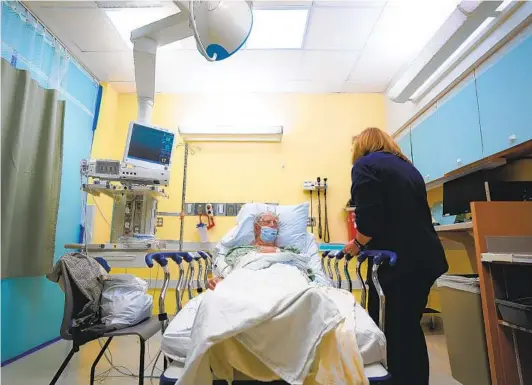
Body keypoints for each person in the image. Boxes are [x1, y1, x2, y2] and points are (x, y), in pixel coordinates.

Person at [344, 127, 448, 385]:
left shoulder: (365, 166)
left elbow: (369, 220)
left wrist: (356, 244)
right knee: (409, 328)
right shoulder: (406, 167)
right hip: (424, 259)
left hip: (401, 263)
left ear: (361, 147)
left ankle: (398, 380)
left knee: (394, 330)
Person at [208, 212, 315, 290]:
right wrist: (221, 280)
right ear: (256, 227)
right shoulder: (240, 251)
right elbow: (233, 270)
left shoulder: (289, 251)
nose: (273, 225)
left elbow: (303, 268)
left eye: (275, 223)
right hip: (251, 282)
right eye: (267, 222)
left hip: (285, 280)